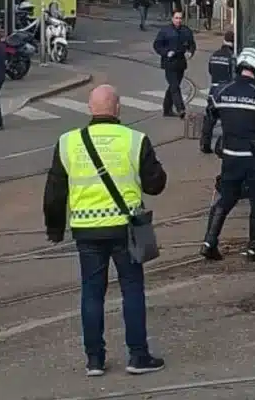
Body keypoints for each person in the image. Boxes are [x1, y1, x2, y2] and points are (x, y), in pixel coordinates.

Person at [42, 84, 168, 375]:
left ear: (89, 109)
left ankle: (94, 360)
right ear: (118, 108)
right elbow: (156, 184)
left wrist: (55, 228)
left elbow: (54, 191)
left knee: (91, 293)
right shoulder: (135, 140)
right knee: (132, 290)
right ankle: (138, 356)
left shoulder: (67, 142)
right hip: (126, 229)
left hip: (86, 230)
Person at [200, 48, 255, 262]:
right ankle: (254, 247)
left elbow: (209, 118)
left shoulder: (220, 91)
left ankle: (209, 242)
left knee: (226, 198)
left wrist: (207, 144)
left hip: (230, 155)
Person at [152, 11, 196, 118]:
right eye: (176, 18)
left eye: (180, 18)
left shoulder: (186, 31)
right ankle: (181, 108)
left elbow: (192, 44)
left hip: (181, 62)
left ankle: (167, 110)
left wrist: (190, 52)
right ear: (172, 19)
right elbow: (157, 45)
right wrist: (166, 52)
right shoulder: (165, 31)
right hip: (169, 63)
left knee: (173, 86)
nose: (178, 20)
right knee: (175, 86)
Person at [199, 30, 235, 154]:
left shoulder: (214, 55)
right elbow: (234, 75)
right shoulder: (232, 57)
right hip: (226, 91)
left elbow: (210, 70)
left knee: (210, 118)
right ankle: (225, 147)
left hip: (214, 90)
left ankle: (204, 143)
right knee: (228, 120)